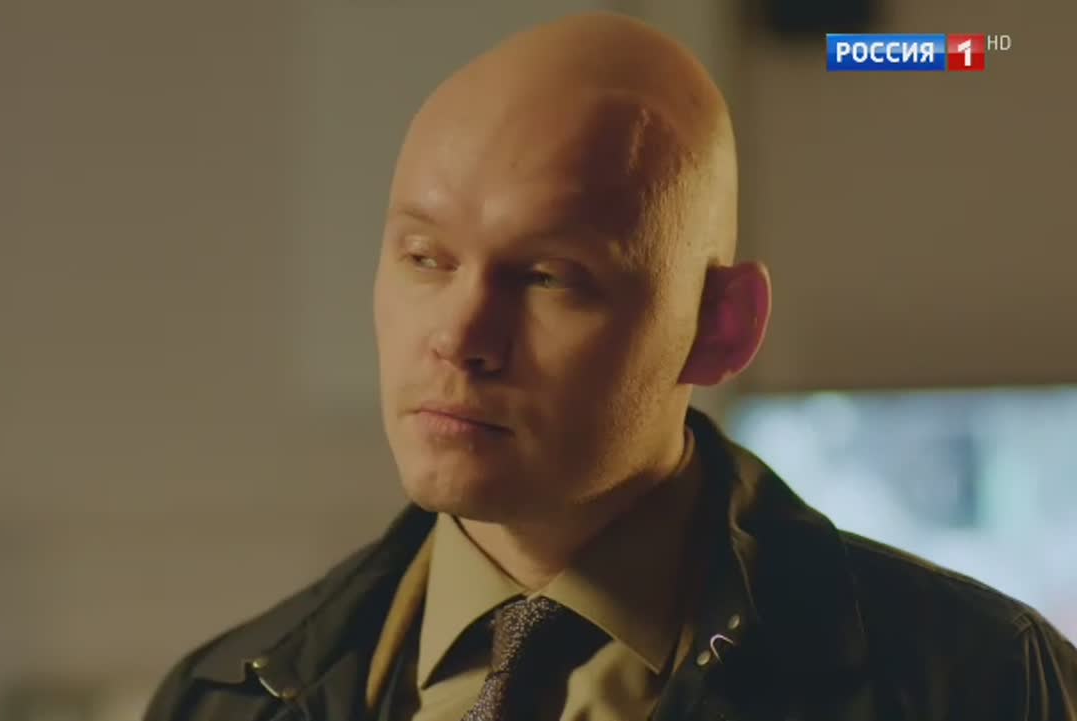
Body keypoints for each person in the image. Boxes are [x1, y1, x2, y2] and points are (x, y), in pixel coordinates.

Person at [143, 11, 1077, 721]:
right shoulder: (223, 697)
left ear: (720, 326)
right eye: (425, 258)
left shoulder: (979, 682)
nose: (460, 335)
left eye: (549, 277)